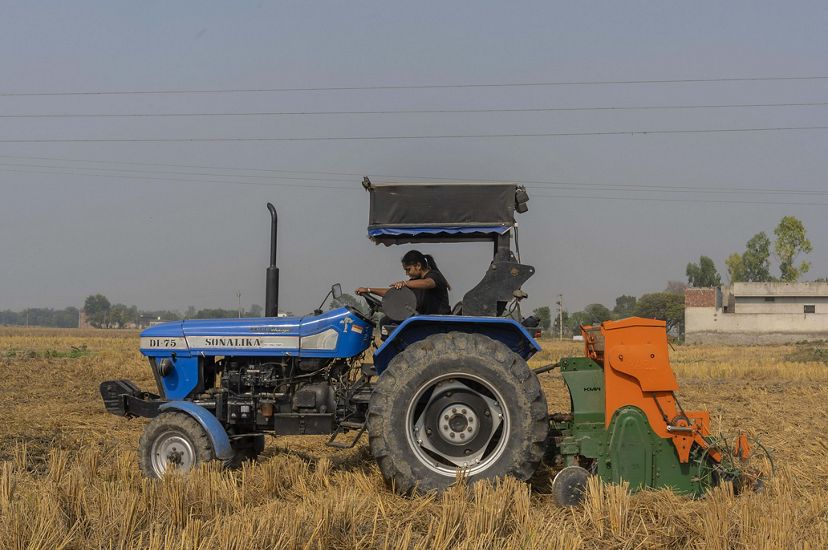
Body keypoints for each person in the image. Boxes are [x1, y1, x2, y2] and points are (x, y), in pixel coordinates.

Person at [356, 250, 451, 315]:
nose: (407, 273)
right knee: (386, 321)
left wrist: (405, 283)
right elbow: (393, 293)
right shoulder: (415, 282)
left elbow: (428, 283)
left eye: (408, 269)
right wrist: (368, 290)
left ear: (418, 265)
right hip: (424, 319)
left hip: (436, 320)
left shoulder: (434, 276)